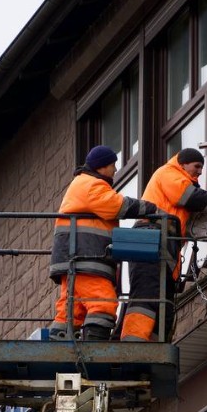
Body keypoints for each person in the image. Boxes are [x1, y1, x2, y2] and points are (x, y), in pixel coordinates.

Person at [49, 145, 159, 340]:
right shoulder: (91, 185)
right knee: (103, 302)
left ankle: (60, 343)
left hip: (74, 258)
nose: (115, 170)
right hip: (86, 257)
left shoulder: (81, 184)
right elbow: (115, 206)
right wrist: (149, 207)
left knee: (71, 308)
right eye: (112, 165)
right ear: (101, 166)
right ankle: (94, 348)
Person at [121, 148, 207, 342]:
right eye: (197, 166)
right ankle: (135, 340)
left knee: (161, 300)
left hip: (161, 241)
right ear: (183, 164)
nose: (200, 171)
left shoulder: (178, 179)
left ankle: (152, 344)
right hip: (151, 237)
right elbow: (188, 196)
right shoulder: (169, 173)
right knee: (147, 293)